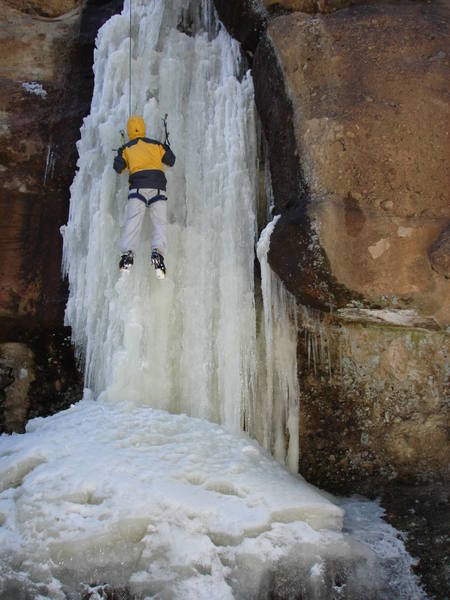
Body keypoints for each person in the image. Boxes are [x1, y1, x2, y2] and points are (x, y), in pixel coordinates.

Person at [113, 115, 176, 278]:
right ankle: (158, 255)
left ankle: (127, 256)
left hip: (138, 189)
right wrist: (166, 147)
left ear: (129, 131)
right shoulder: (155, 145)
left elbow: (118, 168)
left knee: (133, 221)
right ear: (143, 129)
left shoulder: (126, 149)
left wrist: (122, 153)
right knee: (159, 224)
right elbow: (171, 160)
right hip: (158, 189)